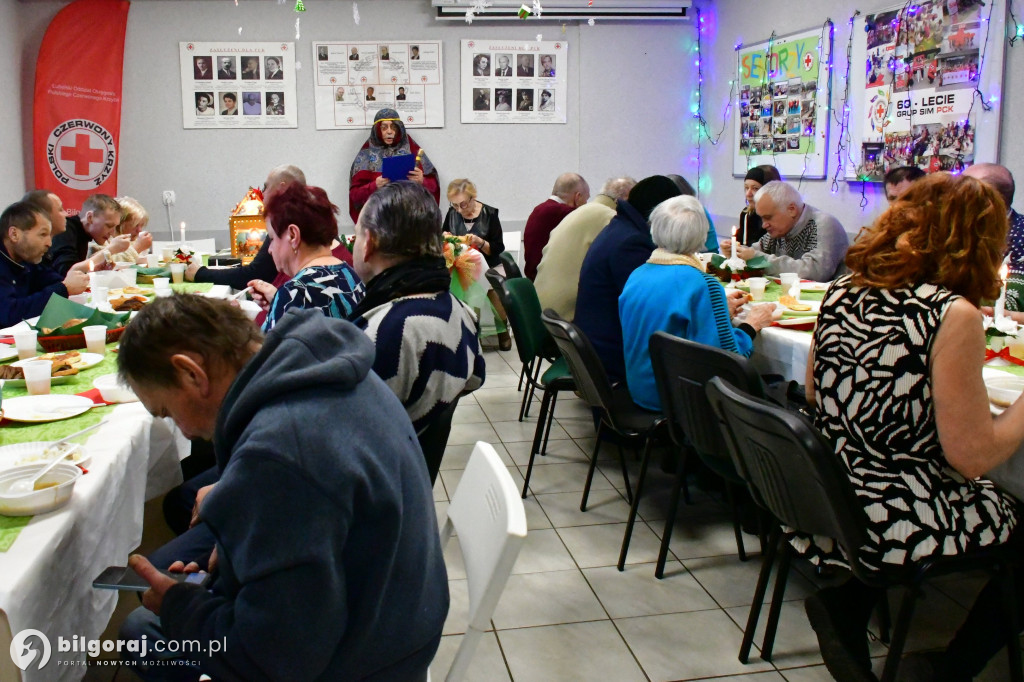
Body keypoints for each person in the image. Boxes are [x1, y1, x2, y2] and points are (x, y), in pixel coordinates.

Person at [117, 296, 448, 681]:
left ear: (192, 374)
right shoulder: (327, 369)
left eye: (167, 412)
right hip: (396, 624)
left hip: (365, 662)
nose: (183, 430)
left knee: (141, 632)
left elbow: (272, 662)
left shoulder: (278, 455)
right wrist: (240, 555)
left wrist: (180, 607)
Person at [800, 173, 1024, 682]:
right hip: (895, 504)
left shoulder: (842, 288)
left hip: (835, 490)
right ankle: (954, 667)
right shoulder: (952, 314)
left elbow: (814, 393)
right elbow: (971, 459)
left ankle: (848, 606)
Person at [349, 181, 485, 436]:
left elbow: (346, 434)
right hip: (417, 467)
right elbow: (476, 378)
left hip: (387, 472)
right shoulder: (461, 312)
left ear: (369, 243)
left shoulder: (386, 333)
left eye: (357, 234)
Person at [619, 195, 774, 411]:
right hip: (682, 400)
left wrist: (718, 310)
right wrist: (752, 325)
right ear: (701, 235)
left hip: (642, 389)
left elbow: (670, 321)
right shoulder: (703, 284)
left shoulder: (637, 274)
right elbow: (729, 358)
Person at [574, 175, 682, 382]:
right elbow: (650, 308)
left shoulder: (621, 228)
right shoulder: (631, 242)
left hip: (596, 344)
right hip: (611, 356)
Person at [249, 183, 362, 333]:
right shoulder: (350, 274)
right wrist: (279, 303)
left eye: (272, 239)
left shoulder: (296, 293)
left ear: (293, 235)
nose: (270, 250)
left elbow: (269, 355)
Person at [535, 176, 635, 321]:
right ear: (626, 198)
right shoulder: (610, 219)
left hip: (544, 313)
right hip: (566, 320)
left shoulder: (579, 212)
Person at [722, 180, 849, 281]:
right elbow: (754, 251)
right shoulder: (778, 230)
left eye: (768, 218)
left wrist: (757, 259)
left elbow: (815, 272)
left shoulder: (824, 224)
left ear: (792, 209)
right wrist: (736, 253)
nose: (764, 225)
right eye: (762, 218)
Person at [442, 178, 511, 350]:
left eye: (463, 204)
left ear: (473, 197)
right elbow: (444, 235)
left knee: (494, 292)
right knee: (469, 296)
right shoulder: (452, 213)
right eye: (455, 205)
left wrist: (480, 243)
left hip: (489, 264)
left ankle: (503, 333)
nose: (459, 209)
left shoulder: (490, 214)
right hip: (465, 266)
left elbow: (497, 247)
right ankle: (473, 336)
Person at [0, 201, 88, 327]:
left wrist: (72, 281)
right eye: (43, 234)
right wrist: (63, 288)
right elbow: (9, 314)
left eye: (50, 235)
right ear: (14, 234)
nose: (49, 243)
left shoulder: (26, 259)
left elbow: (53, 281)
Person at [348, 108, 440, 223]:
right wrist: (374, 185)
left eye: (393, 127)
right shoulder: (366, 154)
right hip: (378, 221)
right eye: (384, 127)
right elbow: (354, 196)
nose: (390, 131)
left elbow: (434, 187)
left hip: (410, 220)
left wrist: (422, 181)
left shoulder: (413, 149)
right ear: (377, 130)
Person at [523, 172, 590, 280]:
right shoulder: (565, 213)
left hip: (534, 277)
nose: (586, 203)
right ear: (577, 197)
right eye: (586, 199)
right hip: (546, 280)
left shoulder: (540, 208)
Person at [45, 194, 130, 275]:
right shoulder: (66, 230)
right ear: (90, 217)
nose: (112, 232)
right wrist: (110, 250)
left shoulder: (83, 234)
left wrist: (93, 270)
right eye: (109, 226)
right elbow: (67, 272)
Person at [738, 164, 781, 245]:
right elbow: (742, 244)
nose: (748, 194)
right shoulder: (746, 214)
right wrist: (732, 248)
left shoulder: (782, 220)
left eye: (755, 188)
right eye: (746, 188)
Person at [111, 197, 153, 264]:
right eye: (135, 225)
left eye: (141, 225)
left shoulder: (133, 240)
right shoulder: (106, 242)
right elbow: (113, 264)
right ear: (120, 224)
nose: (139, 230)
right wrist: (138, 247)